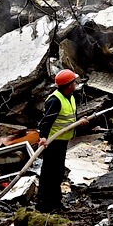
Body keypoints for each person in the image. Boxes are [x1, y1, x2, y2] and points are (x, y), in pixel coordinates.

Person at [36, 69, 85, 214]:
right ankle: (43, 205)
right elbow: (46, 121)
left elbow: (69, 117)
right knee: (48, 174)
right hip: (52, 142)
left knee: (58, 173)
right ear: (69, 85)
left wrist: (80, 122)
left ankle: (56, 202)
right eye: (74, 82)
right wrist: (43, 137)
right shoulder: (55, 100)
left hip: (62, 141)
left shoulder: (70, 96)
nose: (76, 84)